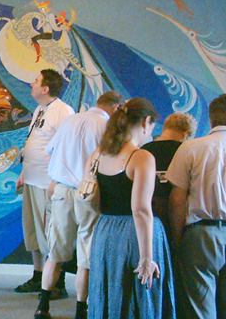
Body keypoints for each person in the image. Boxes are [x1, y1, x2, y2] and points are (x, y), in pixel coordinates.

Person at [34, 91, 123, 319]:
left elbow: (50, 150)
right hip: (88, 191)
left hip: (61, 190)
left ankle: (43, 306)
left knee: (55, 252)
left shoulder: (70, 120)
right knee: (86, 255)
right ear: (115, 108)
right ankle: (81, 311)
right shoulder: (107, 127)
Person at [88, 98, 175, 319]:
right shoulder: (141, 157)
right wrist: (147, 257)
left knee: (109, 292)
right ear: (146, 122)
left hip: (105, 232)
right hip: (135, 236)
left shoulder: (98, 154)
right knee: (140, 298)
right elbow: (141, 210)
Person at [167, 94, 226, 319]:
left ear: (211, 119)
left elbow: (177, 199)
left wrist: (177, 237)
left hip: (201, 235)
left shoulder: (190, 148)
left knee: (200, 309)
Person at [15, 69, 74, 294]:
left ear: (46, 88)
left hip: (47, 183)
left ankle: (56, 282)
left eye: (36, 81)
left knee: (50, 233)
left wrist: (56, 180)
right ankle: (38, 275)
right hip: (32, 180)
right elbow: (35, 143)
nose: (32, 83)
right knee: (33, 231)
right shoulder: (40, 109)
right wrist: (23, 173)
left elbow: (66, 148)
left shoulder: (63, 111)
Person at [141, 112, 196, 238]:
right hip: (178, 217)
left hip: (148, 214)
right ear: (186, 134)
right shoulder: (186, 151)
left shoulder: (143, 150)